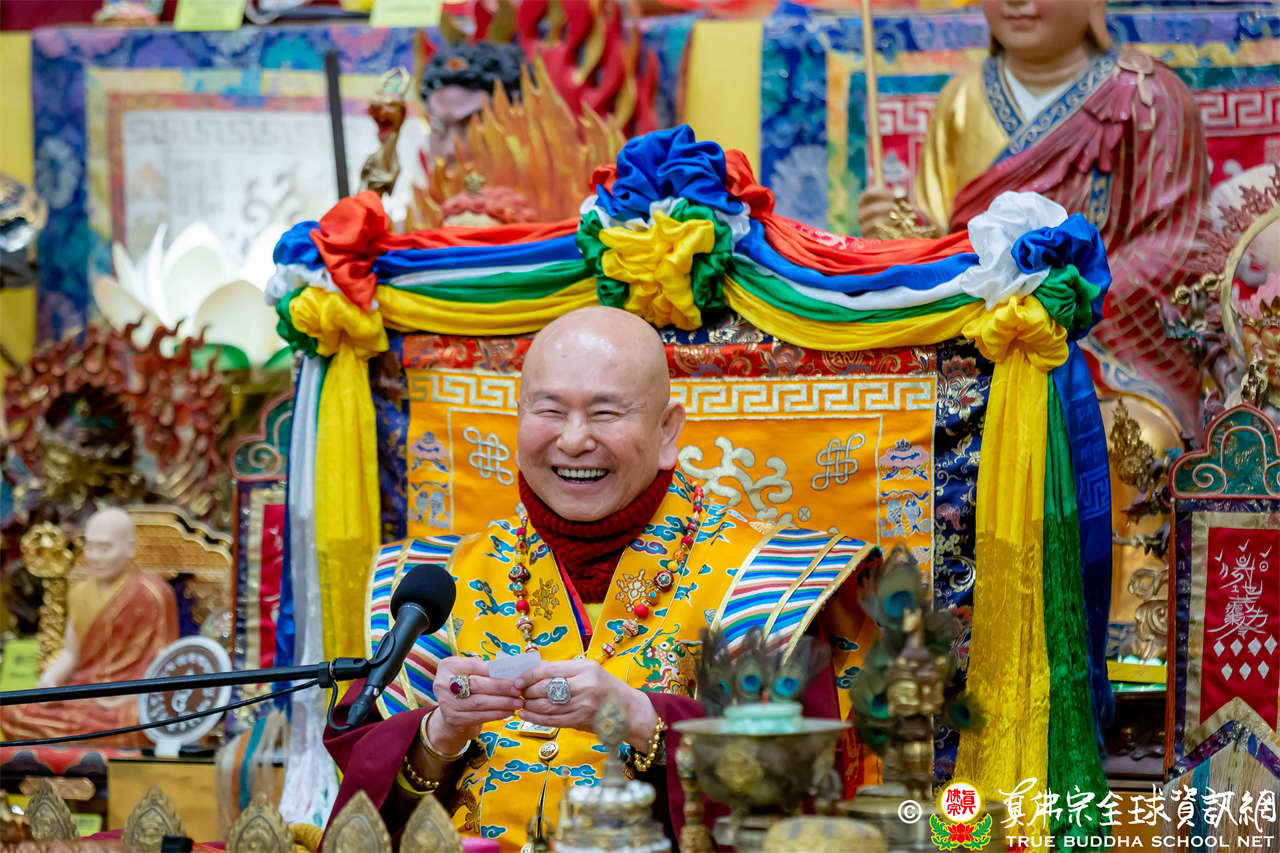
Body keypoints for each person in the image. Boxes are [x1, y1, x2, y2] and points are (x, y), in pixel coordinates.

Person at [325, 307, 876, 851]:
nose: (573, 440)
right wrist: (440, 733)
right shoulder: (440, 582)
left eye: (606, 413)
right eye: (549, 410)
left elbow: (803, 792)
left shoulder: (768, 580)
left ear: (667, 430)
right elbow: (362, 815)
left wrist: (642, 719)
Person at [858, 0, 1211, 427]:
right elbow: (941, 241)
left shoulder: (1148, 96)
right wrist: (897, 229)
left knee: (1138, 439)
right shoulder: (961, 98)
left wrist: (1064, 302)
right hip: (980, 344)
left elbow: (1173, 244)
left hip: (1100, 352)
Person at [0, 507, 179, 747]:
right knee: (12, 711)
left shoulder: (154, 594)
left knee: (144, 721)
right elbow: (70, 654)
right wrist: (49, 683)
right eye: (90, 547)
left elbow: (164, 662)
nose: (95, 557)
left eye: (104, 548)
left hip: (129, 700)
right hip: (84, 693)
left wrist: (129, 696)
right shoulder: (79, 593)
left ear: (130, 548)